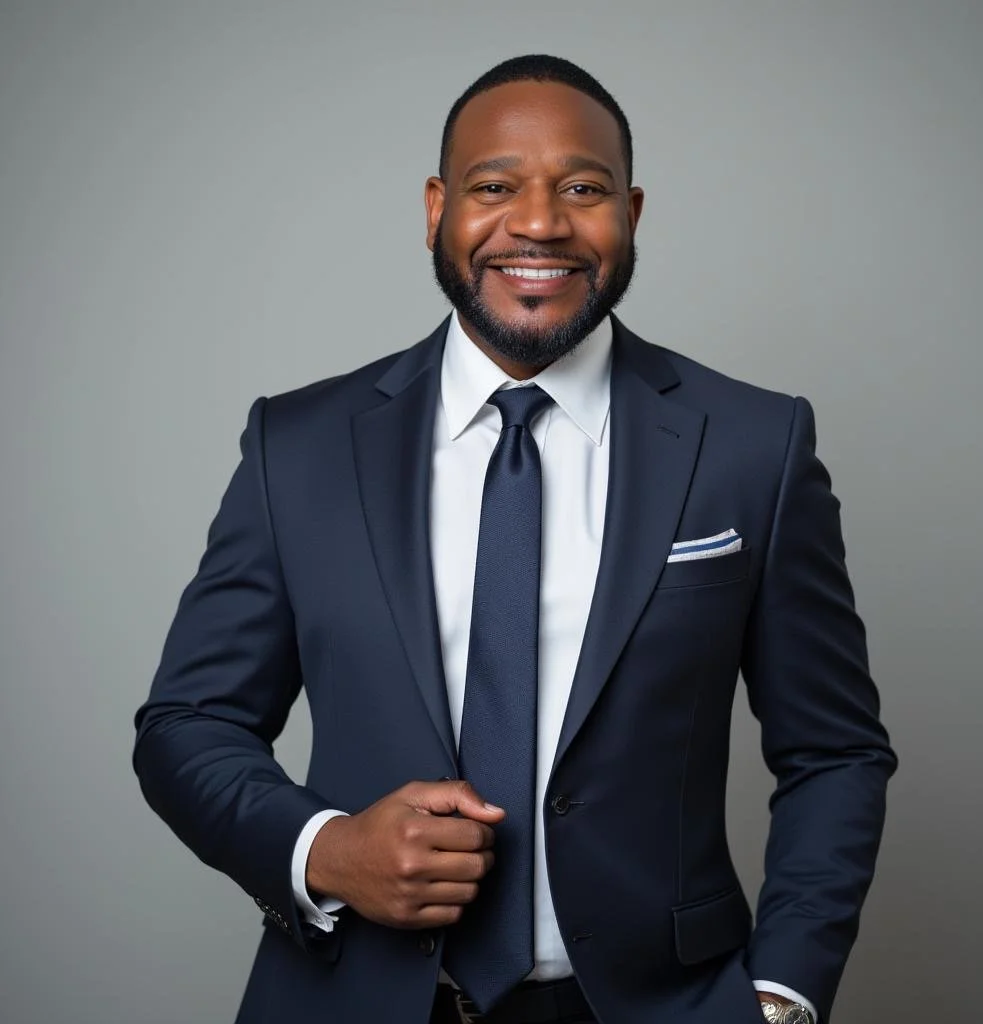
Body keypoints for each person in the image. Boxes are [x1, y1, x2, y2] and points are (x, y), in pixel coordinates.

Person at [133, 54, 896, 1024]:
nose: (538, 221)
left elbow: (833, 750)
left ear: (632, 212)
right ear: (435, 208)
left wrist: (782, 996)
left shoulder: (753, 444)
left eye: (582, 188)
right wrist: (323, 850)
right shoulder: (301, 445)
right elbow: (187, 721)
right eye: (496, 186)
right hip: (351, 998)